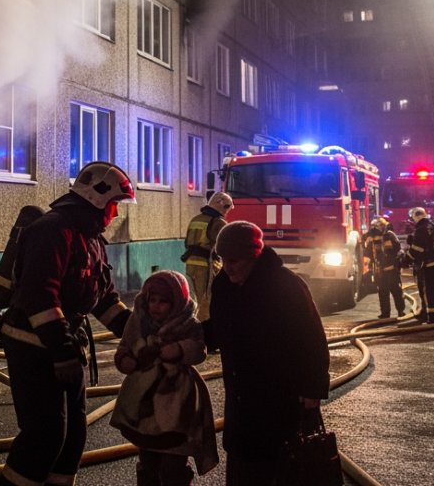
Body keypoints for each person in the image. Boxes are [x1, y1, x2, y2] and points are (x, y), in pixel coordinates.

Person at [0, 162, 134, 486]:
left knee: (73, 439)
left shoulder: (90, 238)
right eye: (114, 204)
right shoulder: (54, 229)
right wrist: (61, 352)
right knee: (43, 438)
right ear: (97, 197)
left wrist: (137, 331)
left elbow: (102, 297)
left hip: (64, 346)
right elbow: (39, 296)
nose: (114, 214)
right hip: (33, 345)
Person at [209, 222, 330, 485]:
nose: (227, 267)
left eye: (234, 260)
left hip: (280, 397)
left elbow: (311, 338)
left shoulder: (285, 286)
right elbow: (219, 326)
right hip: (242, 399)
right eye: (223, 260)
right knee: (243, 460)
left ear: (252, 256)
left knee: (281, 464)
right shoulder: (224, 286)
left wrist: (312, 389)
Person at [112, 270, 218, 485]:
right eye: (152, 300)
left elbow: (199, 350)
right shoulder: (138, 321)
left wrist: (180, 349)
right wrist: (125, 360)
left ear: (177, 303)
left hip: (177, 401)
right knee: (147, 458)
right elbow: (125, 346)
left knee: (174, 461)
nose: (155, 306)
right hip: (144, 404)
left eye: (163, 301)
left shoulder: (188, 324)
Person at [181, 192, 232, 350]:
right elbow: (225, 246)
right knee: (207, 301)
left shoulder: (195, 219)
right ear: (220, 203)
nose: (227, 211)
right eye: (227, 207)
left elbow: (187, 242)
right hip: (207, 266)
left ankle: (191, 333)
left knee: (195, 300)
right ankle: (204, 339)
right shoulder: (217, 223)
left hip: (191, 264)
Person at [364, 218, 404, 318]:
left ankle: (401, 311)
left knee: (396, 290)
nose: (378, 228)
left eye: (380, 226)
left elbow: (398, 250)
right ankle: (385, 313)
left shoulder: (390, 235)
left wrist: (397, 264)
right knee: (382, 291)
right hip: (379, 270)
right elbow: (367, 248)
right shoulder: (372, 237)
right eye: (376, 227)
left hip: (391, 268)